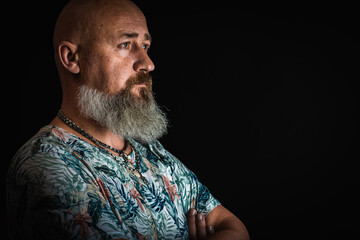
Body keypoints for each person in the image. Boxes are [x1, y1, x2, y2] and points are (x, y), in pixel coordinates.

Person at [6, 0, 250, 239]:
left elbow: (233, 227)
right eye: (125, 44)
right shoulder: (46, 164)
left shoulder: (150, 151)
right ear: (72, 58)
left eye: (145, 46)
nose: (148, 63)